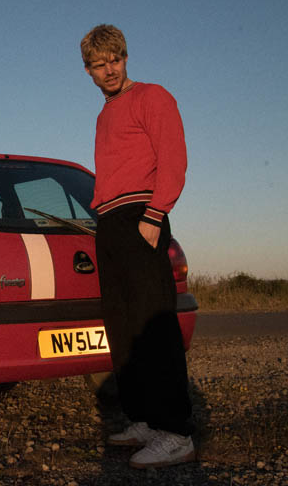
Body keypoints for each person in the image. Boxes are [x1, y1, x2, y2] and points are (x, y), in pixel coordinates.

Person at [80, 24, 195, 468]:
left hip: (140, 216)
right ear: (88, 71)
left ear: (126, 58)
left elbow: (173, 159)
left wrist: (154, 214)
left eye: (116, 60)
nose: (110, 70)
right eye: (99, 64)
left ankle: (176, 432)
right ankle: (144, 419)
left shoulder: (153, 97)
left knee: (153, 327)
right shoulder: (103, 115)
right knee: (123, 328)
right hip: (110, 222)